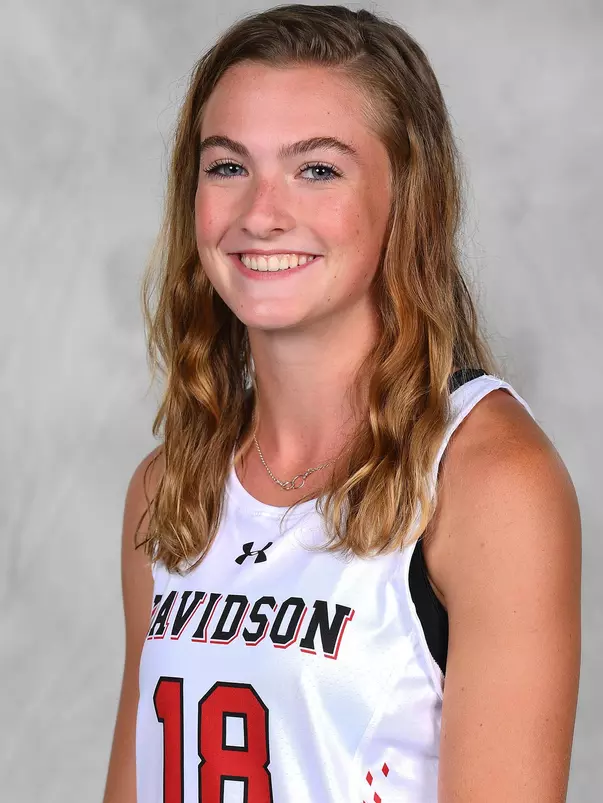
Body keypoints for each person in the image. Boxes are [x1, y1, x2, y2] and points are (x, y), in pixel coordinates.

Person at [102, 5, 581, 802]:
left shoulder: (487, 481)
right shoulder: (168, 488)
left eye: (316, 169)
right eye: (228, 167)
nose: (260, 213)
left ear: (408, 199)